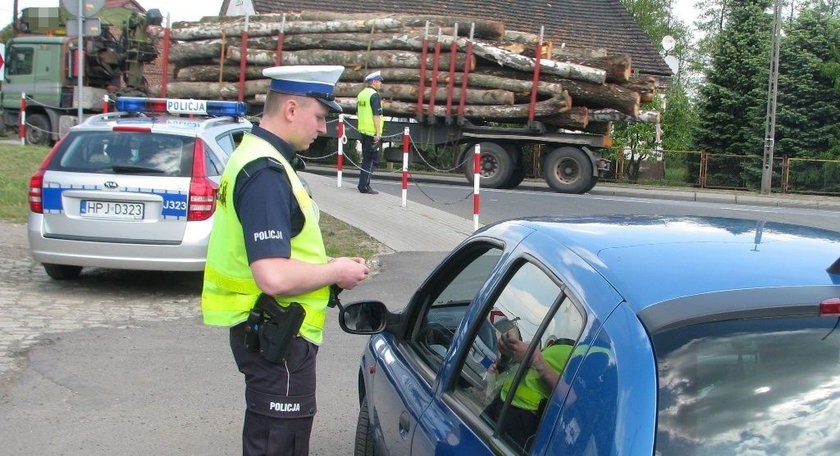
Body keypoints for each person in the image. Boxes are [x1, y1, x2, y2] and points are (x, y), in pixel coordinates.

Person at [201, 65, 370, 456]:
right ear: (291, 109)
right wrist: (336, 271)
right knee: (279, 445)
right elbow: (272, 275)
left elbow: (282, 251)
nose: (323, 128)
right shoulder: (266, 173)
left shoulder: (253, 155)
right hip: (278, 335)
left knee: (269, 441)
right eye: (320, 116)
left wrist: (329, 268)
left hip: (268, 331)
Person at [356, 70, 385, 194]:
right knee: (373, 160)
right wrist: (378, 133)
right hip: (372, 133)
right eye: (379, 81)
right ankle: (364, 186)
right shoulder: (374, 95)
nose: (380, 84)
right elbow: (376, 115)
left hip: (363, 131)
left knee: (367, 158)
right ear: (373, 82)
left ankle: (362, 184)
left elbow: (358, 112)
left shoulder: (361, 94)